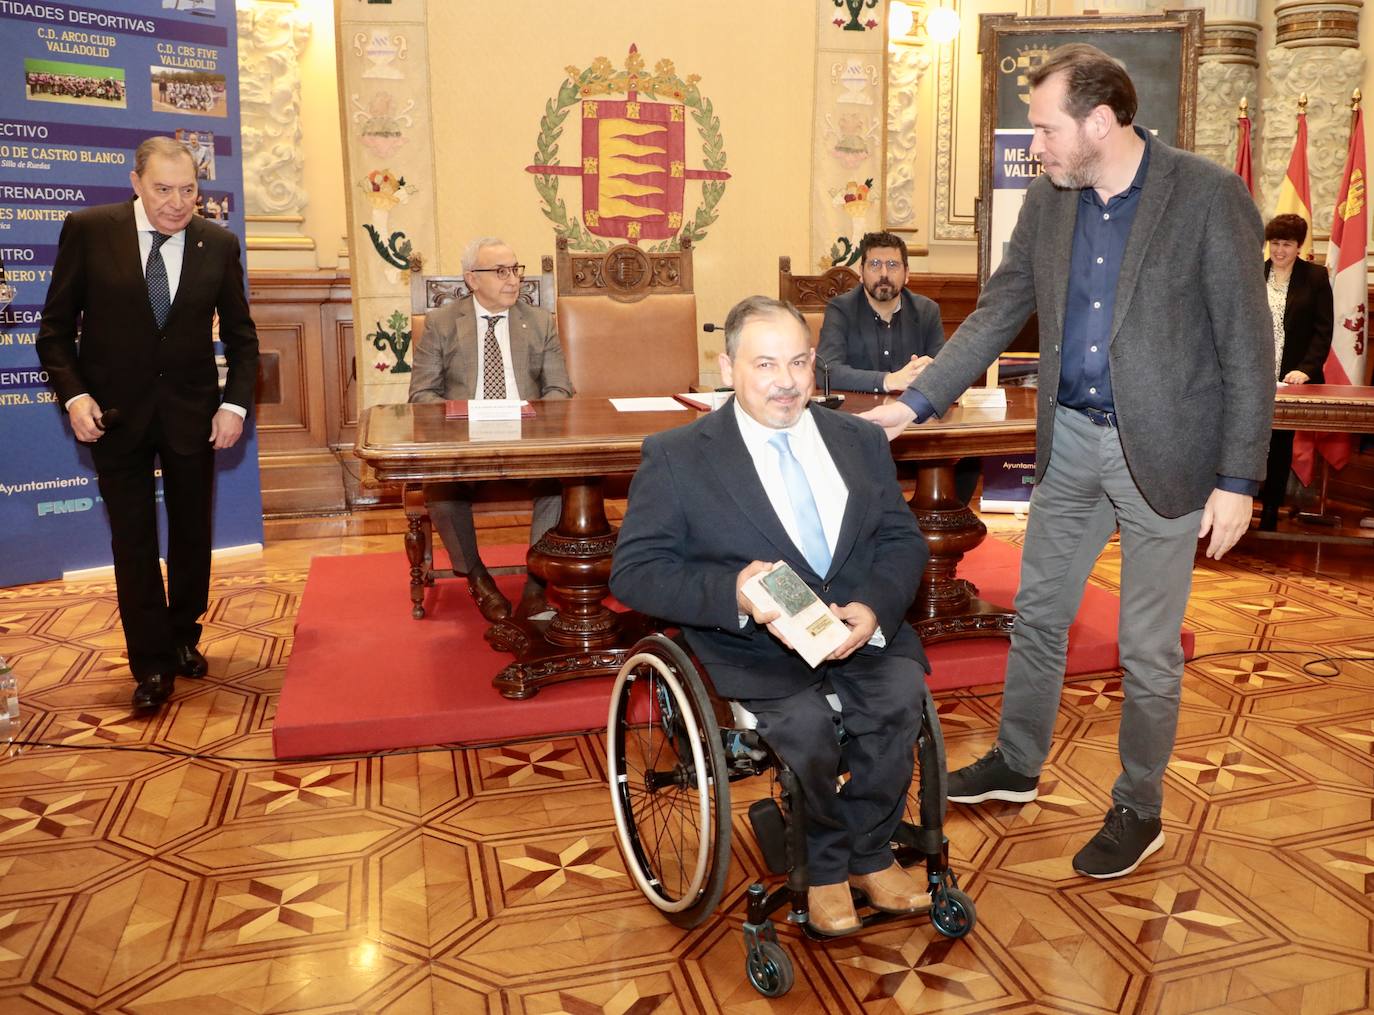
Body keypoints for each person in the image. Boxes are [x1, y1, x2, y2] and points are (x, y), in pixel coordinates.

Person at [861, 44, 1273, 879]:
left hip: (1167, 452)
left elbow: (1247, 345)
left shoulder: (1206, 195)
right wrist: (911, 405)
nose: (1035, 146)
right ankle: (1017, 763)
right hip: (1073, 440)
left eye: (1046, 129)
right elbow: (994, 312)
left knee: (1147, 646)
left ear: (1100, 122)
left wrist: (1238, 480)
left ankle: (1139, 807)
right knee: (1041, 616)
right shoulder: (1050, 202)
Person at [611, 295, 931, 935]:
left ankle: (870, 852)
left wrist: (873, 609)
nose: (786, 381)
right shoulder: (678, 456)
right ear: (727, 368)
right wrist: (731, 591)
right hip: (756, 648)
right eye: (764, 364)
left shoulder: (860, 440)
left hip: (857, 630)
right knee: (807, 730)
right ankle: (825, 865)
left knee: (900, 703)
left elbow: (902, 540)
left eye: (798, 362)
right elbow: (635, 571)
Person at [36, 136, 259, 712]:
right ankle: (151, 663)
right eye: (163, 189)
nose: (177, 203)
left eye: (188, 190)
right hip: (114, 418)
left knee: (192, 535)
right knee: (132, 540)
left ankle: (183, 634)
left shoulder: (218, 243)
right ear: (135, 183)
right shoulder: (90, 230)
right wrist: (75, 396)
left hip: (193, 416)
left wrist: (234, 406)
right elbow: (53, 333)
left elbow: (243, 339)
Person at [408, 237, 573, 621]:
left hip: (528, 441)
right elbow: (421, 396)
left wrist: (533, 423)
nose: (513, 280)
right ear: (472, 279)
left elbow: (560, 390)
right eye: (501, 272)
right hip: (466, 444)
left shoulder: (539, 322)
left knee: (562, 482)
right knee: (440, 490)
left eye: (516, 269)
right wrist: (464, 421)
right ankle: (477, 577)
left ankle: (536, 585)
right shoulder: (442, 324)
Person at [817, 230, 981, 504]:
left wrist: (929, 371)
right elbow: (827, 371)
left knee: (968, 454)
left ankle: (936, 517)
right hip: (862, 425)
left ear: (907, 274)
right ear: (861, 273)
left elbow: (943, 370)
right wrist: (889, 380)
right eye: (874, 264)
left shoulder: (926, 311)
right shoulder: (841, 309)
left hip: (915, 425)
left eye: (892, 265)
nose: (883, 273)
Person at [1259, 213, 1333, 530]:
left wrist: (1305, 369)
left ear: (1298, 246)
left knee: (1279, 443)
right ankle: (1240, 503)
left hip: (1291, 379)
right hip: (1254, 375)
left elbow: (1322, 331)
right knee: (1247, 440)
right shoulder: (1254, 272)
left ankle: (1270, 509)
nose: (1279, 250)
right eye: (1275, 243)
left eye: (1286, 244)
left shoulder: (1315, 277)